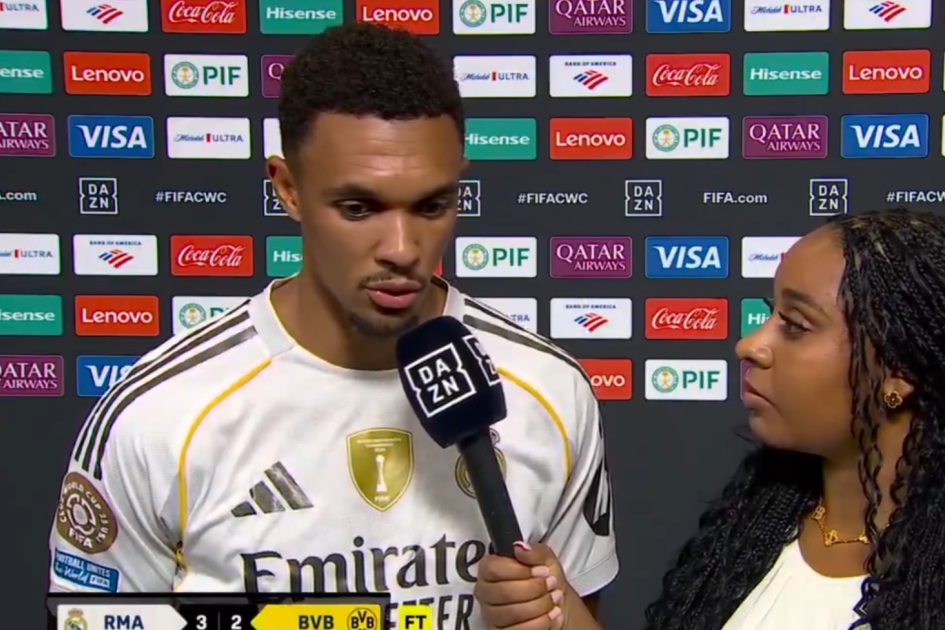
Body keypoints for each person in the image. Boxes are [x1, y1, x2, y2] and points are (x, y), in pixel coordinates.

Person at [47, 23, 617, 628]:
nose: (402, 248)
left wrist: (549, 613)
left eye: (431, 206)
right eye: (358, 208)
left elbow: (583, 612)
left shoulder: (548, 388)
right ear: (288, 188)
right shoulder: (160, 414)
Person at [474, 209, 945, 630]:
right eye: (769, 315)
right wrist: (559, 613)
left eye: (795, 324)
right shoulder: (763, 528)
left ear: (899, 371)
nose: (750, 344)